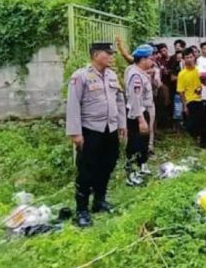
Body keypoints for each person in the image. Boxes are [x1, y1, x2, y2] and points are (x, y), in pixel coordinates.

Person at [65, 42, 126, 228]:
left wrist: (122, 124)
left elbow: (119, 100)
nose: (111, 57)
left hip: (110, 128)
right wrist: (75, 133)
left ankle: (99, 200)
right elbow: (73, 105)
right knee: (86, 170)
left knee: (108, 164)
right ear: (96, 54)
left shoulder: (112, 75)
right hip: (90, 130)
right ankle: (82, 210)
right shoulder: (80, 76)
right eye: (108, 53)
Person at [124, 45, 156, 186]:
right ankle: (131, 173)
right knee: (134, 143)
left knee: (143, 142)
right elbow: (135, 99)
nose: (152, 60)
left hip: (144, 111)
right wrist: (141, 120)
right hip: (137, 113)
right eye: (150, 58)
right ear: (143, 59)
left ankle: (141, 166)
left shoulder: (141, 72)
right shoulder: (135, 75)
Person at [177, 47, 202, 140]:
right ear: (183, 59)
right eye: (187, 57)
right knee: (193, 123)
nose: (189, 59)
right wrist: (184, 106)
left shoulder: (200, 70)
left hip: (202, 98)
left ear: (194, 57)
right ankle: (195, 139)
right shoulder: (182, 74)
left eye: (191, 57)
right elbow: (181, 91)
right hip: (190, 100)